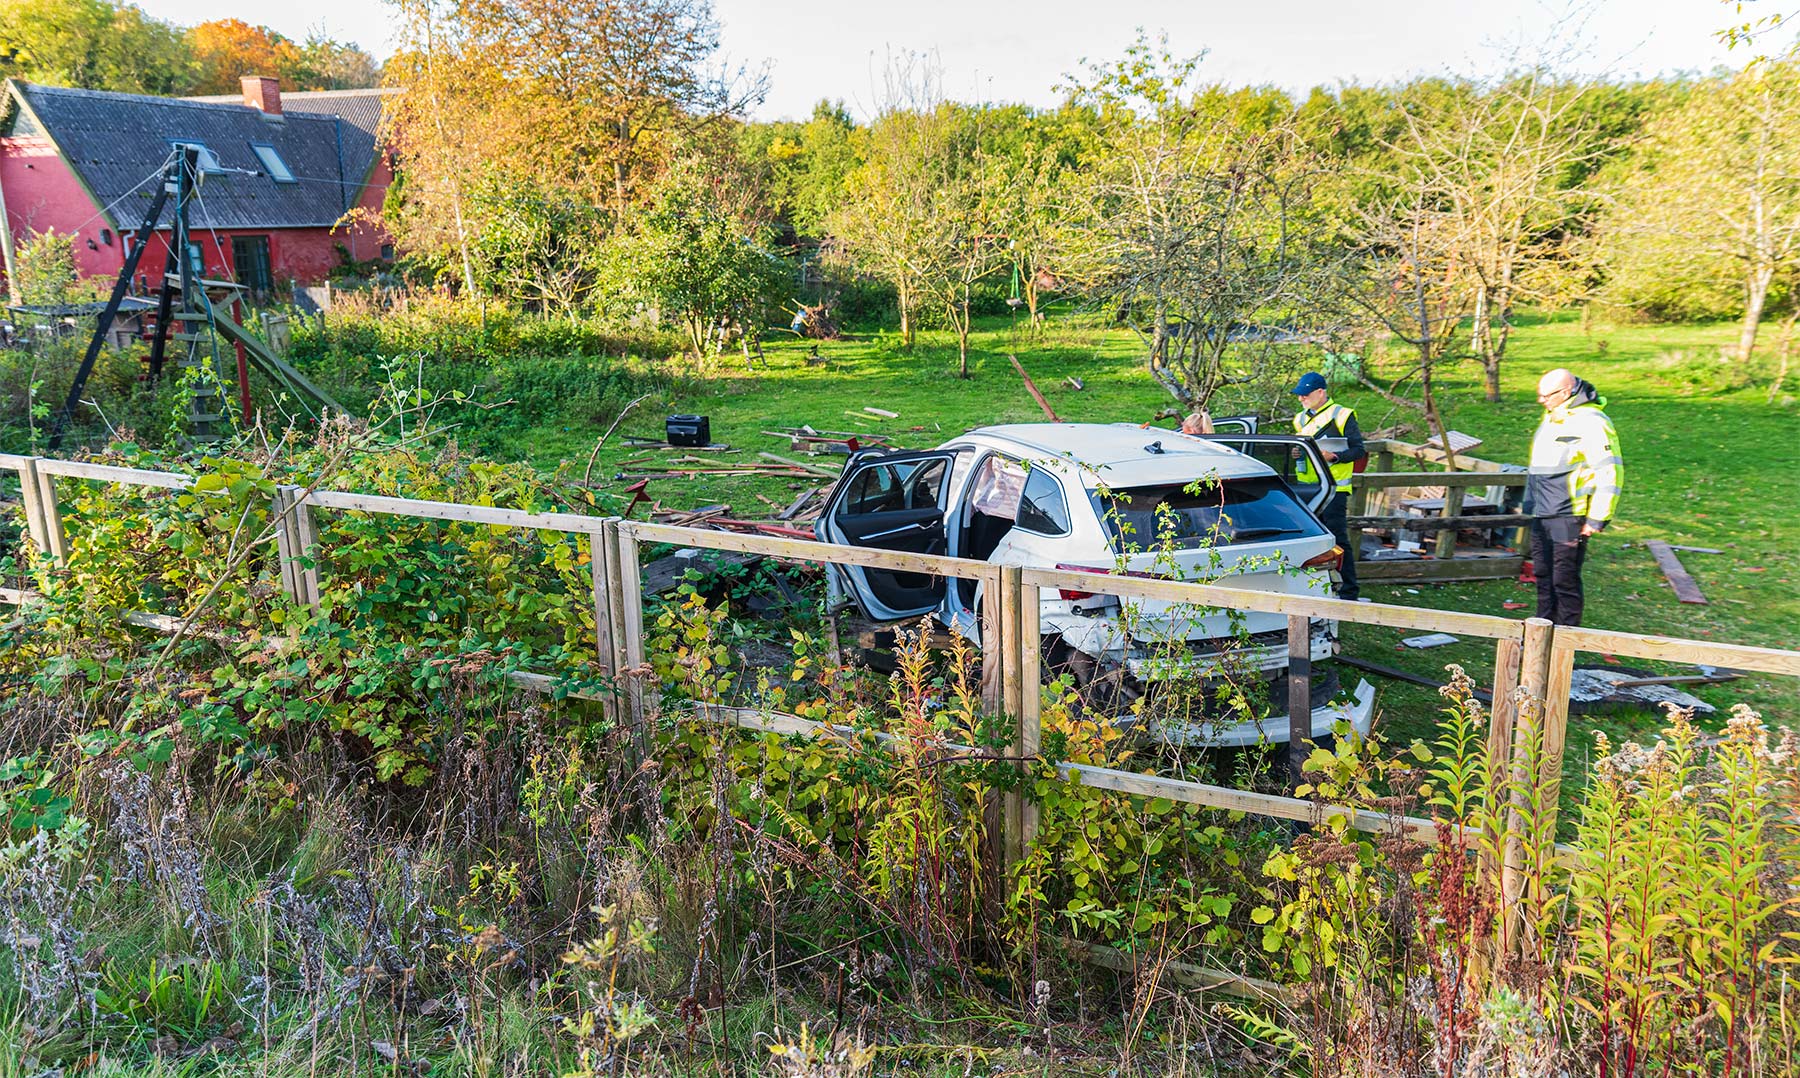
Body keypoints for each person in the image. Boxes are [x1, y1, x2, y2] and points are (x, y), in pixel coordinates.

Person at [1526, 368, 1622, 626]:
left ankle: (1565, 641)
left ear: (1566, 392)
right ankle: (1540, 633)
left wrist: (1597, 518)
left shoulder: (1592, 421)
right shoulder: (1552, 417)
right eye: (1540, 395)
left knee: (1564, 579)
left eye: (1546, 396)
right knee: (1543, 575)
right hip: (1542, 510)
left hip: (1569, 513)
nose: (1541, 401)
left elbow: (1609, 471)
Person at [1290, 371, 1365, 600]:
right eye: (1299, 395)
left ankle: (1349, 592)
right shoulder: (1299, 418)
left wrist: (1334, 456)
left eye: (1305, 394)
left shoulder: (1342, 415)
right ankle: (1316, 588)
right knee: (1311, 541)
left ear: (1320, 392)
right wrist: (1295, 452)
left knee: (1338, 540)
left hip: (1334, 489)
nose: (1301, 399)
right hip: (1307, 488)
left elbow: (1358, 450)